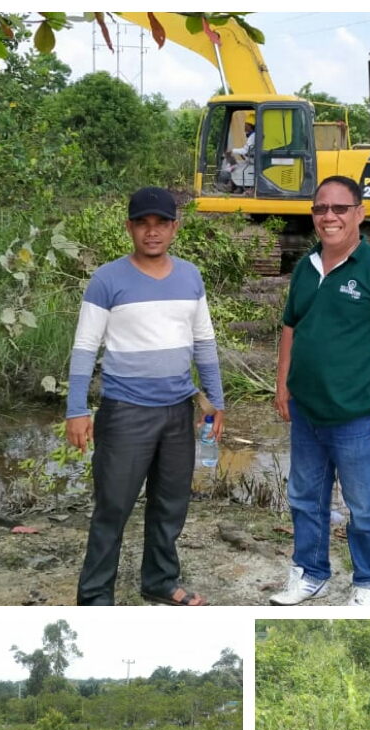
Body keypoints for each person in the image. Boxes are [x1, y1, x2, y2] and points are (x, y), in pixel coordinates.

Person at [271, 175, 370, 607]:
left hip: (359, 416)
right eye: (321, 208)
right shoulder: (306, 267)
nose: (330, 216)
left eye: (340, 208)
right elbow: (292, 326)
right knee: (305, 497)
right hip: (307, 411)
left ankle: (369, 581)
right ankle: (310, 572)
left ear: (359, 214)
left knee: (363, 506)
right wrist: (283, 382)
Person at [66, 186, 225, 606]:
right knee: (113, 508)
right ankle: (96, 596)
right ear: (130, 228)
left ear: (175, 227)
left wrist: (217, 402)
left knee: (170, 505)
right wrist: (76, 409)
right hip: (125, 413)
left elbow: (204, 343)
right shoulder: (107, 280)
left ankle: (158, 580)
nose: (151, 232)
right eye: (142, 224)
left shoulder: (191, 277)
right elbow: (85, 348)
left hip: (178, 411)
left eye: (161, 224)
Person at [225, 114, 255, 194]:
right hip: (250, 158)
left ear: (250, 126)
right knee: (237, 164)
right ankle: (236, 185)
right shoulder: (252, 136)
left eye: (245, 125)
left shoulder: (253, 136)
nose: (244, 127)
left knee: (236, 167)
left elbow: (245, 150)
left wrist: (232, 151)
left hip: (252, 160)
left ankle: (235, 186)